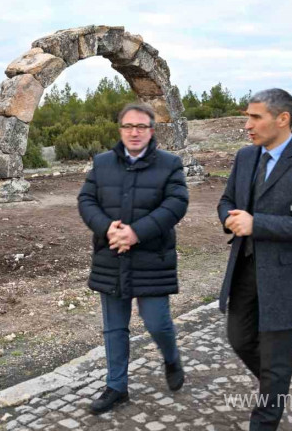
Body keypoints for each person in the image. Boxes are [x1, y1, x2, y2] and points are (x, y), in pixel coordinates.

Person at [217, 88, 292, 429]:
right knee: (239, 339)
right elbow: (226, 199)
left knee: (277, 361)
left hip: (284, 278)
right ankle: (275, 386)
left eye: (255, 117)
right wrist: (228, 217)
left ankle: (266, 412)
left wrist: (256, 224)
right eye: (247, 117)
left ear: (282, 119)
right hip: (244, 270)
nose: (247, 125)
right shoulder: (245, 156)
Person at [77, 103, 189, 414]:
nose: (134, 132)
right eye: (128, 126)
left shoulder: (170, 164)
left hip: (152, 257)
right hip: (111, 256)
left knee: (157, 322)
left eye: (141, 126)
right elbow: (86, 199)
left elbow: (177, 203)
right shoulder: (101, 163)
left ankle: (171, 358)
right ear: (120, 130)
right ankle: (116, 387)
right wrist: (106, 228)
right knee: (114, 327)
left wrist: (136, 233)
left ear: (151, 131)